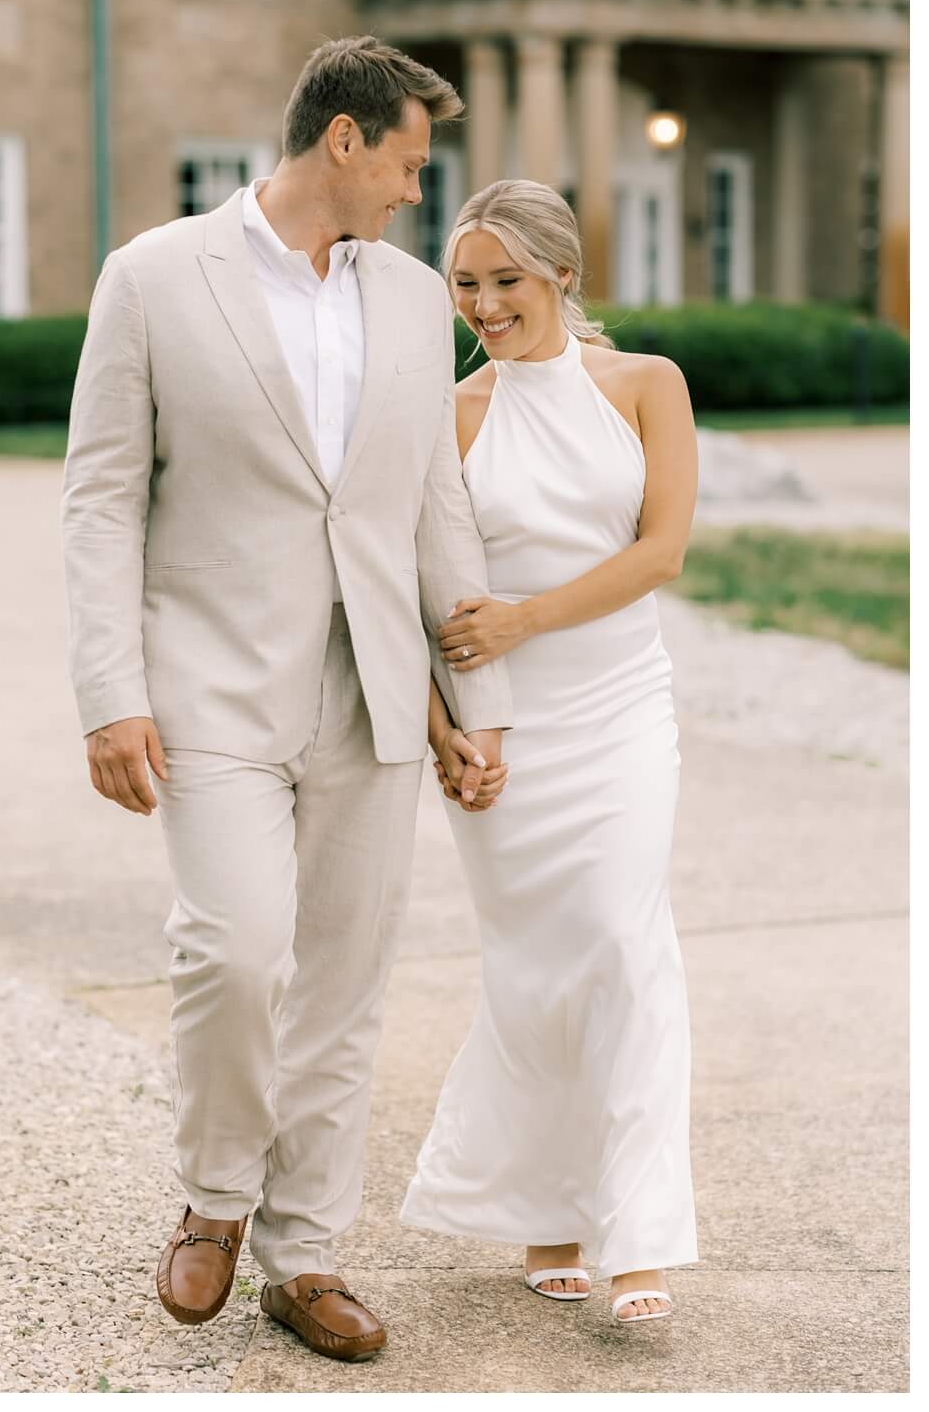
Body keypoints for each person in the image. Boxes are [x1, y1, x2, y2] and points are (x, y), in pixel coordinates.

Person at [60, 35, 512, 1363]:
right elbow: (98, 497)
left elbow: (436, 502)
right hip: (208, 677)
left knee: (345, 981)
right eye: (410, 164)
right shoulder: (151, 277)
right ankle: (213, 1195)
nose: (415, 193)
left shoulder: (417, 299)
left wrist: (472, 694)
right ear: (343, 140)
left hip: (371, 678)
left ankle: (303, 1251)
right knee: (236, 943)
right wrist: (109, 689)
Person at [399, 179, 699, 1326]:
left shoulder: (645, 387)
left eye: (504, 280)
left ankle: (637, 1239)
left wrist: (527, 616)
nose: (481, 303)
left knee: (624, 945)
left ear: (562, 275)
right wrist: (452, 730)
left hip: (621, 706)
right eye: (464, 283)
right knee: (531, 968)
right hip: (506, 724)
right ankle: (546, 1214)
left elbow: (660, 550)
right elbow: (429, 597)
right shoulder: (452, 415)